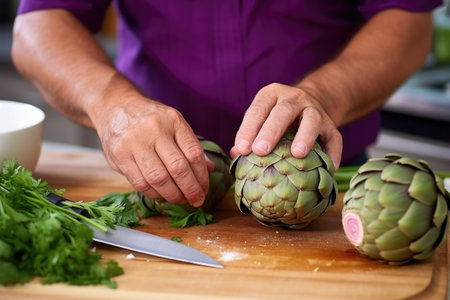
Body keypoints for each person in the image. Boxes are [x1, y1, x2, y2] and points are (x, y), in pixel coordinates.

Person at [12, 1, 441, 208]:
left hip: (328, 177)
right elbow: (38, 25)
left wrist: (326, 94)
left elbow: (406, 19)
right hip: (149, 175)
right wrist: (111, 104)